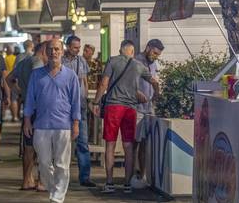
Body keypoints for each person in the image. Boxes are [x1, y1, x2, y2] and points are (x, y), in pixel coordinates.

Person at [91, 40, 159, 193]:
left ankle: (109, 183)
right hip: (130, 109)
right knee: (128, 146)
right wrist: (155, 96)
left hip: (113, 107)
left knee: (110, 145)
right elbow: (154, 82)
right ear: (132, 51)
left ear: (121, 50)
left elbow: (104, 84)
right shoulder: (138, 65)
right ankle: (127, 185)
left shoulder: (112, 61)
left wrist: (96, 102)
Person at [24, 39, 81, 203]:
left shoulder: (71, 76)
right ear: (45, 52)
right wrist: (27, 120)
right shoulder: (36, 75)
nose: (53, 52)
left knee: (62, 164)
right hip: (41, 125)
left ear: (62, 52)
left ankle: (57, 197)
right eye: (50, 49)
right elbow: (29, 100)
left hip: (63, 125)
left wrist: (76, 123)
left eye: (57, 49)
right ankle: (54, 188)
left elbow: (76, 101)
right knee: (43, 162)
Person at [8, 42, 47, 191]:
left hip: (27, 105)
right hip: (38, 107)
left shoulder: (23, 62)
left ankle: (26, 181)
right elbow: (39, 84)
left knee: (28, 147)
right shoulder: (37, 62)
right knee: (41, 146)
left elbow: (9, 79)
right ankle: (41, 182)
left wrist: (19, 92)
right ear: (43, 51)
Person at [62, 36, 95, 187]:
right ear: (68, 47)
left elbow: (84, 81)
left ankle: (85, 177)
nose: (78, 50)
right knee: (63, 143)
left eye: (79, 47)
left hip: (80, 106)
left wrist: (86, 98)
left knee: (83, 142)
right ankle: (62, 177)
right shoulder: (61, 62)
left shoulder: (81, 61)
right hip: (64, 106)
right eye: (75, 47)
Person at [134, 39, 164, 188]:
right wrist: (136, 92)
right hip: (137, 107)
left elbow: (155, 81)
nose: (155, 56)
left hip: (149, 107)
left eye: (158, 55)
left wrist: (156, 95)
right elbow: (130, 81)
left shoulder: (153, 64)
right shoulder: (137, 61)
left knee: (145, 142)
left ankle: (143, 175)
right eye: (154, 53)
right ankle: (132, 174)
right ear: (148, 48)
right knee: (134, 142)